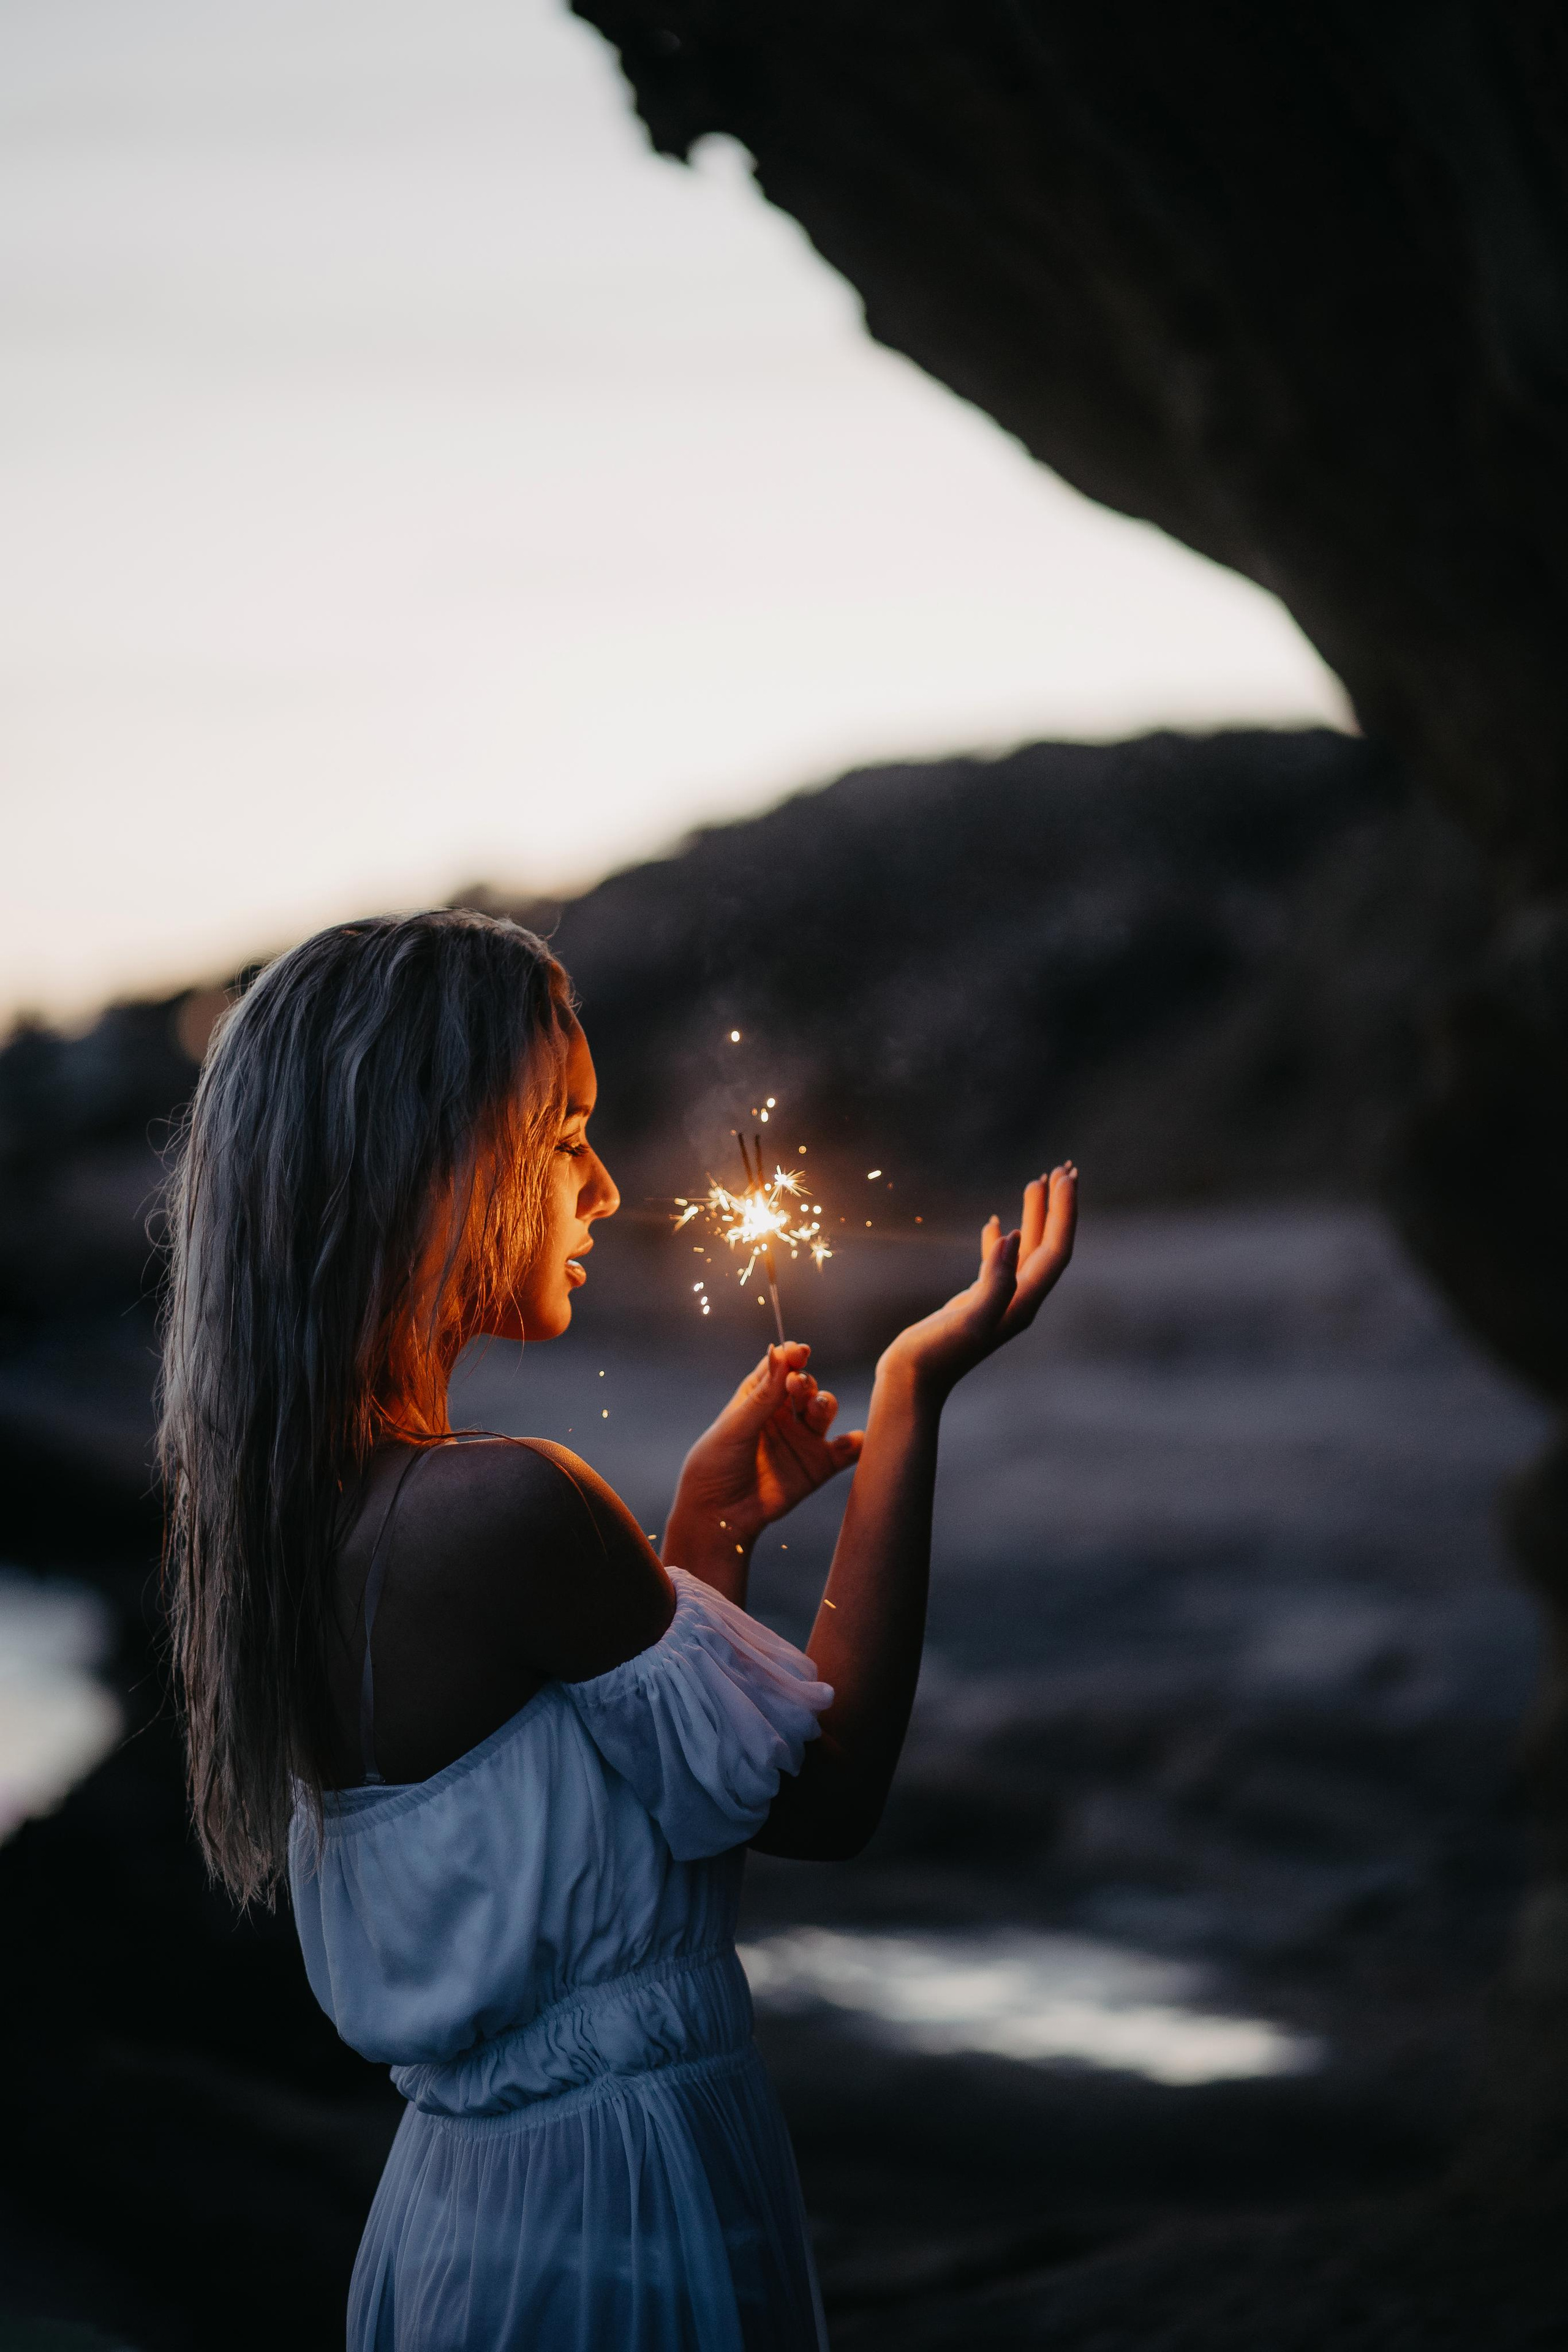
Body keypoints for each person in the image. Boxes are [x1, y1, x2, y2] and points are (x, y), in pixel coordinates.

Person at [158, 907, 1077, 2351]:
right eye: (563, 1135)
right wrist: (909, 1398)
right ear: (429, 1161)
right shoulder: (511, 1506)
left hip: (468, 2223)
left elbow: (634, 1801)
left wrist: (707, 1535)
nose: (602, 1188)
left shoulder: (300, 1525)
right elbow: (822, 1799)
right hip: (611, 2228)